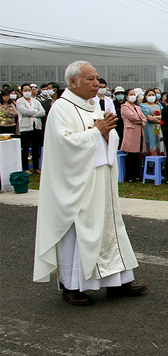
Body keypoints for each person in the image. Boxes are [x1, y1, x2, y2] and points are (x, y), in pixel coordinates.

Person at [33, 61, 146, 305]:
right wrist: (97, 132)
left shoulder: (93, 105)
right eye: (90, 79)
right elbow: (64, 145)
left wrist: (106, 132)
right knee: (79, 231)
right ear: (73, 82)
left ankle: (116, 282)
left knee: (109, 227)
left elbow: (107, 134)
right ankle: (72, 286)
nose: (97, 84)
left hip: (100, 178)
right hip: (77, 183)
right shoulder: (61, 108)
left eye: (97, 78)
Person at [16, 83, 45, 174]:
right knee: (25, 148)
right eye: (25, 90)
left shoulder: (36, 101)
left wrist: (31, 114)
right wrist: (36, 112)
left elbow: (42, 112)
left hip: (36, 126)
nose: (28, 92)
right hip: (25, 128)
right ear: (22, 92)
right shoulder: (20, 101)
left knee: (36, 147)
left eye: (29, 90)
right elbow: (24, 111)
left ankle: (36, 167)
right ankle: (26, 168)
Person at [119, 89, 146, 182]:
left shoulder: (137, 107)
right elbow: (132, 116)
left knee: (136, 154)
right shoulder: (124, 106)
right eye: (131, 94)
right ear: (126, 96)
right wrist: (139, 120)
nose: (133, 96)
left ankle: (136, 174)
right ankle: (130, 175)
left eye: (134, 94)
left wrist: (140, 121)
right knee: (131, 154)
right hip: (131, 132)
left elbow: (143, 117)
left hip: (139, 131)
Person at [140, 88, 163, 156]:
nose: (151, 96)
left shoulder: (159, 105)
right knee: (151, 143)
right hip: (149, 129)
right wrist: (159, 118)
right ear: (146, 96)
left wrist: (155, 117)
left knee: (160, 144)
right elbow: (149, 118)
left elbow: (163, 117)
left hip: (159, 128)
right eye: (149, 95)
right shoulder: (143, 106)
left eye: (153, 94)